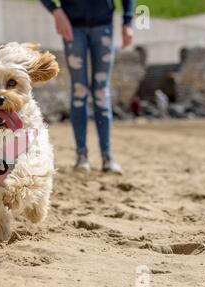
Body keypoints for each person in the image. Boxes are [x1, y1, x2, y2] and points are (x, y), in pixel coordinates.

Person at [40, 0, 136, 174]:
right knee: (79, 91)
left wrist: (128, 21)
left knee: (101, 92)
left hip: (104, 25)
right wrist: (56, 12)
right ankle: (81, 156)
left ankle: (107, 157)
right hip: (72, 27)